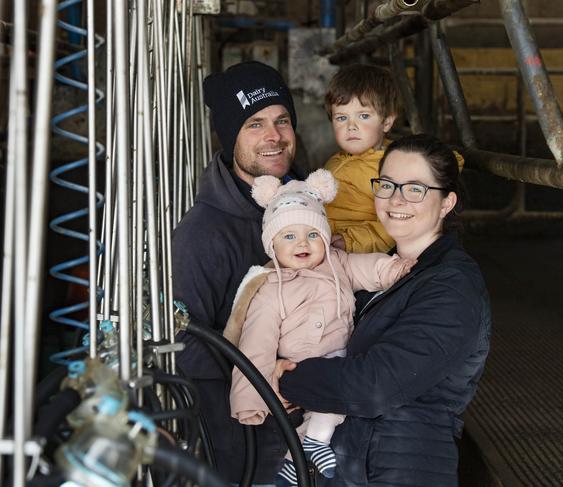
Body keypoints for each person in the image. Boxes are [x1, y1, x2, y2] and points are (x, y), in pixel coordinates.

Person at [276, 134, 492, 486]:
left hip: (402, 467)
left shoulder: (452, 286)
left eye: (416, 189)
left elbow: (375, 385)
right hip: (358, 461)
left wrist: (285, 378)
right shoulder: (381, 270)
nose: (396, 199)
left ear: (446, 203)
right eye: (387, 184)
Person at [223, 169, 414, 486]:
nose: (303, 244)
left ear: (325, 238)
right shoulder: (271, 289)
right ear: (272, 244)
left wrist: (395, 268)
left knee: (339, 404)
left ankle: (299, 455)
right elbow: (255, 346)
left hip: (341, 361)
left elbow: (367, 267)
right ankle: (309, 447)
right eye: (289, 236)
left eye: (313, 235)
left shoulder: (337, 263)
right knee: (329, 405)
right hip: (300, 367)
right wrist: (250, 399)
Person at [171, 61, 303, 484]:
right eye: (254, 124)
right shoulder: (204, 232)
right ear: (229, 138)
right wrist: (267, 373)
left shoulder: (310, 207)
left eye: (282, 120)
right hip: (247, 447)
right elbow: (185, 347)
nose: (274, 137)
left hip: (315, 429)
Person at [323, 64, 464, 254]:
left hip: (359, 254)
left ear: (387, 122)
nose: (351, 126)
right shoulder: (337, 160)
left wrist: (351, 240)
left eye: (363, 116)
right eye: (341, 118)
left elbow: (395, 223)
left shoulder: (394, 169)